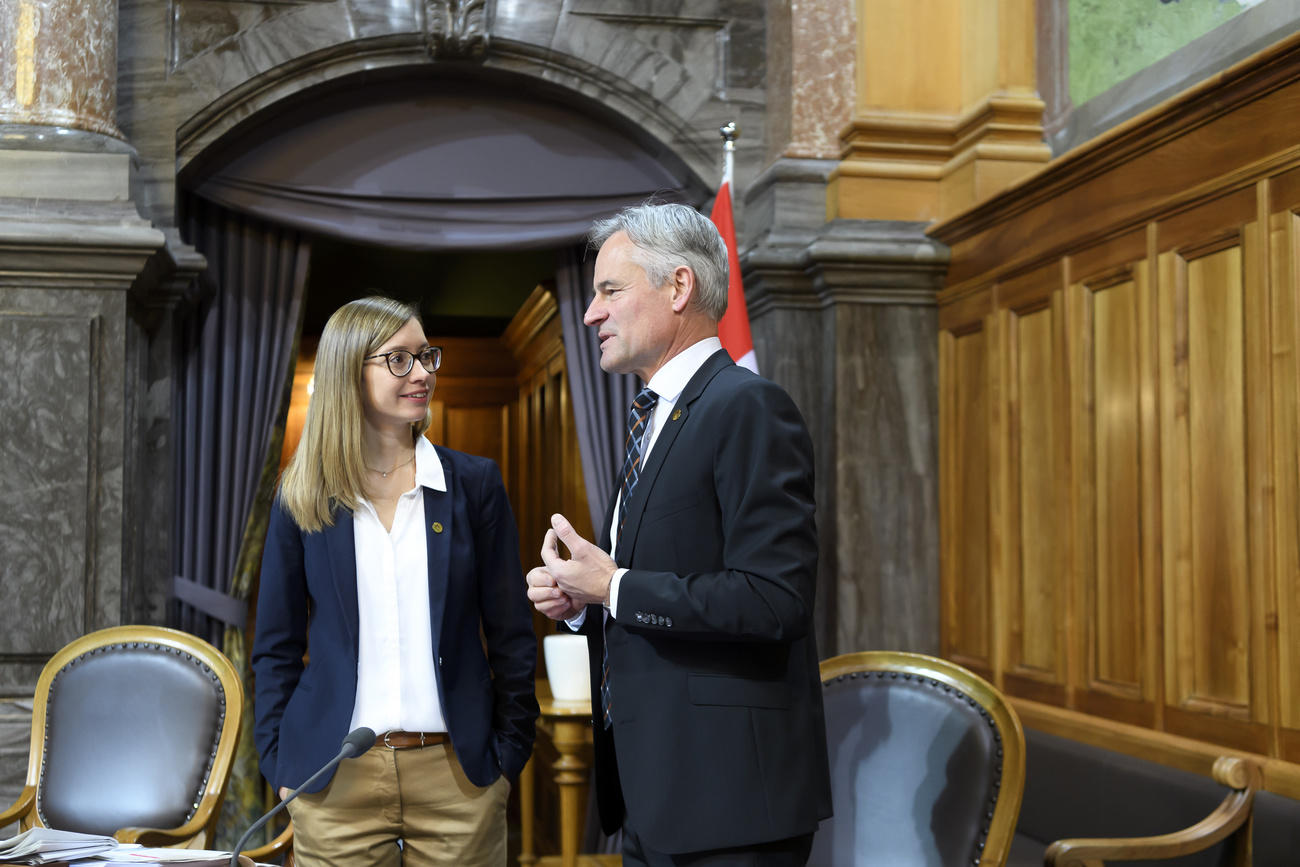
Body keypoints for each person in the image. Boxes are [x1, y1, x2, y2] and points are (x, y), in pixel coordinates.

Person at [526, 203, 832, 866]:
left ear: (679, 286)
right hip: (656, 795)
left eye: (610, 290)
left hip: (731, 807)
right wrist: (586, 597)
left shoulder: (746, 406)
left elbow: (775, 599)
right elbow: (661, 582)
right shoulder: (652, 418)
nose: (589, 314)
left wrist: (616, 585)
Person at [253, 296, 538, 866]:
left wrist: (506, 758)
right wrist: (281, 766)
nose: (424, 372)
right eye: (400, 360)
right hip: (335, 779)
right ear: (346, 373)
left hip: (460, 778)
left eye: (427, 356)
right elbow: (275, 648)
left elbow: (511, 635)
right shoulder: (302, 494)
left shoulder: (475, 485)